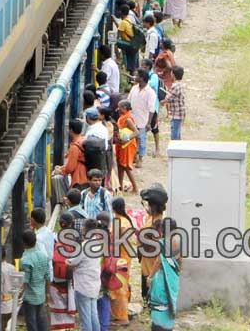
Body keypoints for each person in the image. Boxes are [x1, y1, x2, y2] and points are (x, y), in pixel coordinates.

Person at [66, 219, 102, 331]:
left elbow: (72, 262)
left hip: (83, 286)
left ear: (86, 229)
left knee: (85, 319)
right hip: (94, 284)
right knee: (93, 315)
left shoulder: (84, 246)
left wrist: (67, 262)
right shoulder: (98, 243)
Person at [148, 218, 182, 331]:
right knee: (170, 303)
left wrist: (150, 277)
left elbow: (158, 262)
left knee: (160, 304)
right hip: (173, 280)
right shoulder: (178, 241)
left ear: (163, 229)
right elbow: (180, 261)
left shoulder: (164, 242)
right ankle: (168, 327)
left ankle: (159, 326)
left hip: (163, 280)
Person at [110, 198, 136, 326]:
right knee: (120, 285)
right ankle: (118, 315)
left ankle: (122, 317)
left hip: (120, 259)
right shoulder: (126, 221)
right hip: (124, 257)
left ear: (113, 208)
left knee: (119, 287)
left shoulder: (121, 223)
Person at [19, 229, 49, 331]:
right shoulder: (44, 256)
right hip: (41, 295)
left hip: (29, 297)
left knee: (31, 323)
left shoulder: (25, 260)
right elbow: (47, 276)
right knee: (41, 320)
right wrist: (47, 292)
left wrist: (19, 296)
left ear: (23, 243)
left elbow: (25, 282)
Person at [127, 70, 156, 167]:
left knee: (142, 139)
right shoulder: (134, 88)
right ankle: (134, 156)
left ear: (142, 78)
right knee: (132, 139)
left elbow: (151, 109)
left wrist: (149, 123)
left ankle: (140, 159)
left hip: (142, 120)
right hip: (132, 118)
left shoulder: (150, 92)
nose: (135, 77)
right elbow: (129, 100)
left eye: (137, 76)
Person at [114, 100, 139, 193]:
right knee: (120, 165)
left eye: (119, 107)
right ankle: (120, 186)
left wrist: (127, 139)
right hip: (121, 144)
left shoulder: (128, 119)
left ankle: (135, 188)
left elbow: (136, 132)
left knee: (126, 166)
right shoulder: (122, 117)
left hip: (127, 145)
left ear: (124, 108)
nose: (117, 109)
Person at [55, 120, 89, 189]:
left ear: (71, 130)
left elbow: (71, 167)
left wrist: (61, 171)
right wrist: (62, 167)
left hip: (79, 178)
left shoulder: (75, 147)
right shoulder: (84, 140)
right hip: (87, 175)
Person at [163, 67, 187, 141]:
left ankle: (176, 150)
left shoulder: (175, 86)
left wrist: (162, 101)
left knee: (174, 135)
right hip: (181, 112)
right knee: (177, 133)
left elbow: (168, 98)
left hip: (176, 114)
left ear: (173, 75)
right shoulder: (181, 85)